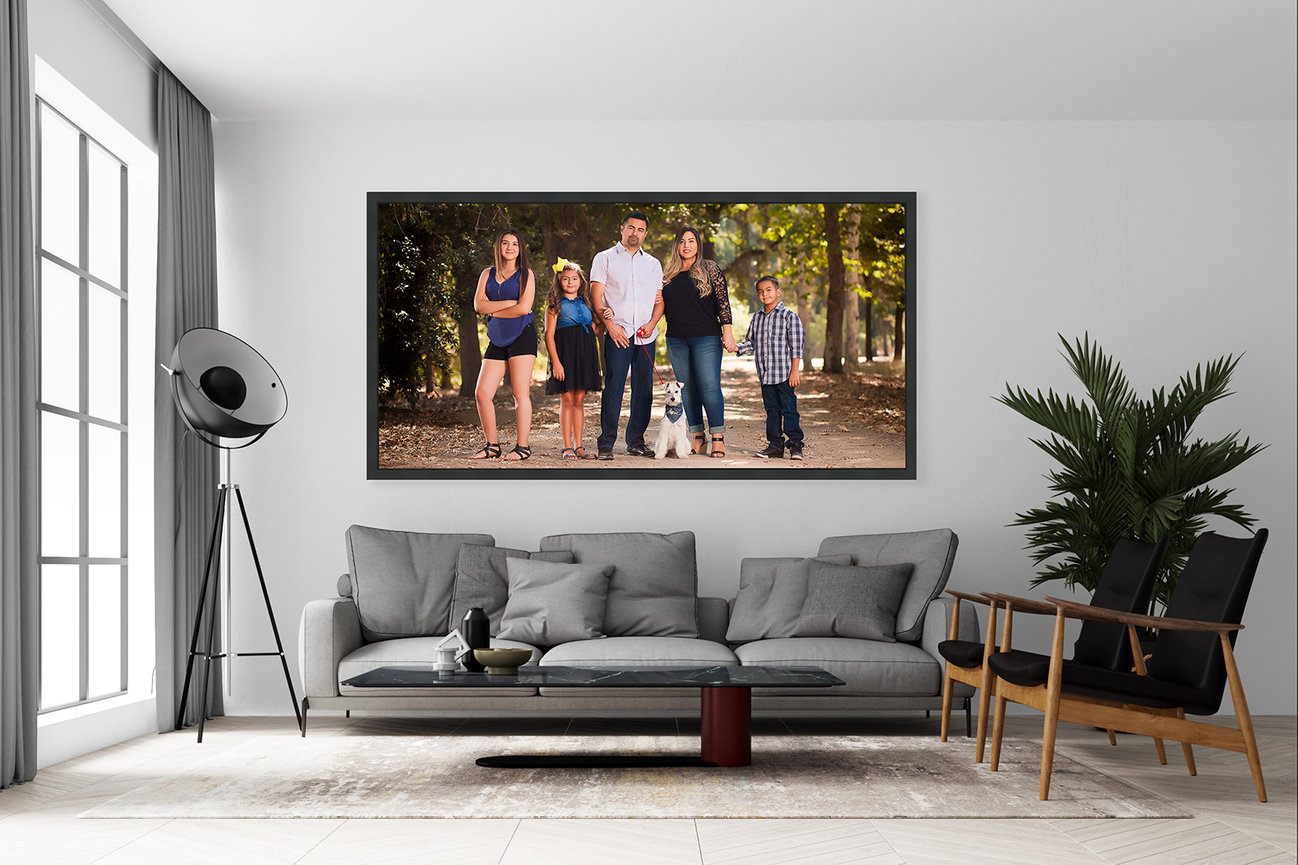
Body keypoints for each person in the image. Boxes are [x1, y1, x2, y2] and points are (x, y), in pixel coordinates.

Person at [637, 226, 737, 458]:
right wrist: (650, 324)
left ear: (698, 245)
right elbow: (659, 304)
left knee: (710, 387)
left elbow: (723, 302)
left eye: (691, 241)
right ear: (676, 245)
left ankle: (718, 438)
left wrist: (727, 332)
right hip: (676, 339)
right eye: (682, 242)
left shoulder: (709, 268)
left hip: (707, 338)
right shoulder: (668, 273)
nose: (686, 246)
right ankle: (698, 437)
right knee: (687, 390)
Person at [590, 211, 663, 459]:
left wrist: (653, 324)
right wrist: (609, 325)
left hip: (645, 335)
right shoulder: (605, 258)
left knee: (644, 391)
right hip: (618, 333)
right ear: (621, 229)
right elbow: (596, 295)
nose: (635, 233)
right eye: (631, 228)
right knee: (614, 389)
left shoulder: (653, 264)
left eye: (640, 230)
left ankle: (636, 442)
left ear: (645, 233)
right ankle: (606, 444)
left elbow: (659, 301)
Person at [469, 229, 537, 461]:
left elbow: (524, 309)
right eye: (505, 243)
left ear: (520, 249)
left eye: (515, 244)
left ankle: (523, 447)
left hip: (523, 335)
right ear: (498, 247)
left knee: (519, 393)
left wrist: (495, 307)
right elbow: (478, 306)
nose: (510, 248)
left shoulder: (527, 274)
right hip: (497, 336)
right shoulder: (486, 274)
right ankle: (492, 446)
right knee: (482, 393)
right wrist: (510, 302)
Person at [735, 275, 806, 460]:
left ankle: (795, 445)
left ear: (778, 292)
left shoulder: (789, 316)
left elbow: (796, 346)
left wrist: (794, 371)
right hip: (766, 375)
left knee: (789, 409)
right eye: (760, 291)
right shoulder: (757, 318)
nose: (764, 294)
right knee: (772, 411)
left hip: (784, 374)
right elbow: (751, 343)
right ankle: (775, 445)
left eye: (769, 290)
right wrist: (736, 347)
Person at [543, 258, 603, 459]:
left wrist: (604, 319)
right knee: (567, 400)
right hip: (565, 355)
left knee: (579, 400)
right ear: (560, 281)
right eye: (566, 278)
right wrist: (556, 363)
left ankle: (579, 446)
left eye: (574, 278)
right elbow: (548, 335)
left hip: (585, 354)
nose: (570, 282)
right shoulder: (554, 305)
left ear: (581, 281)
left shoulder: (586, 303)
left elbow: (594, 331)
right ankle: (567, 446)